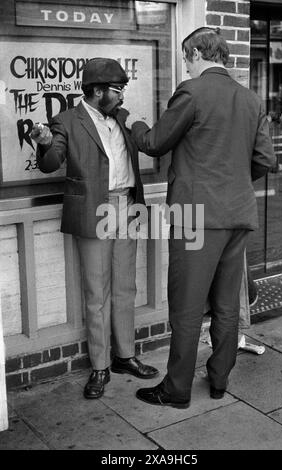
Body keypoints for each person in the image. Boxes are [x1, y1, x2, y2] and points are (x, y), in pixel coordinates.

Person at [130, 27, 275, 408]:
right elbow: (265, 161)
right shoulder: (250, 99)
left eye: (185, 57)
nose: (185, 65)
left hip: (194, 214)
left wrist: (135, 123)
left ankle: (176, 389)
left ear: (196, 54)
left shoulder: (191, 92)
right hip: (238, 213)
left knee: (187, 305)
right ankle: (218, 380)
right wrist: (232, 185)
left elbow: (154, 142)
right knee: (227, 304)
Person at [30, 58, 158, 400]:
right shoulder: (68, 121)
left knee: (126, 287)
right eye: (117, 91)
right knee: (96, 293)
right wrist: (43, 141)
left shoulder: (122, 119)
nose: (122, 96)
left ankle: (125, 357)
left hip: (127, 208)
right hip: (94, 211)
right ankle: (100, 365)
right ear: (97, 91)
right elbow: (51, 162)